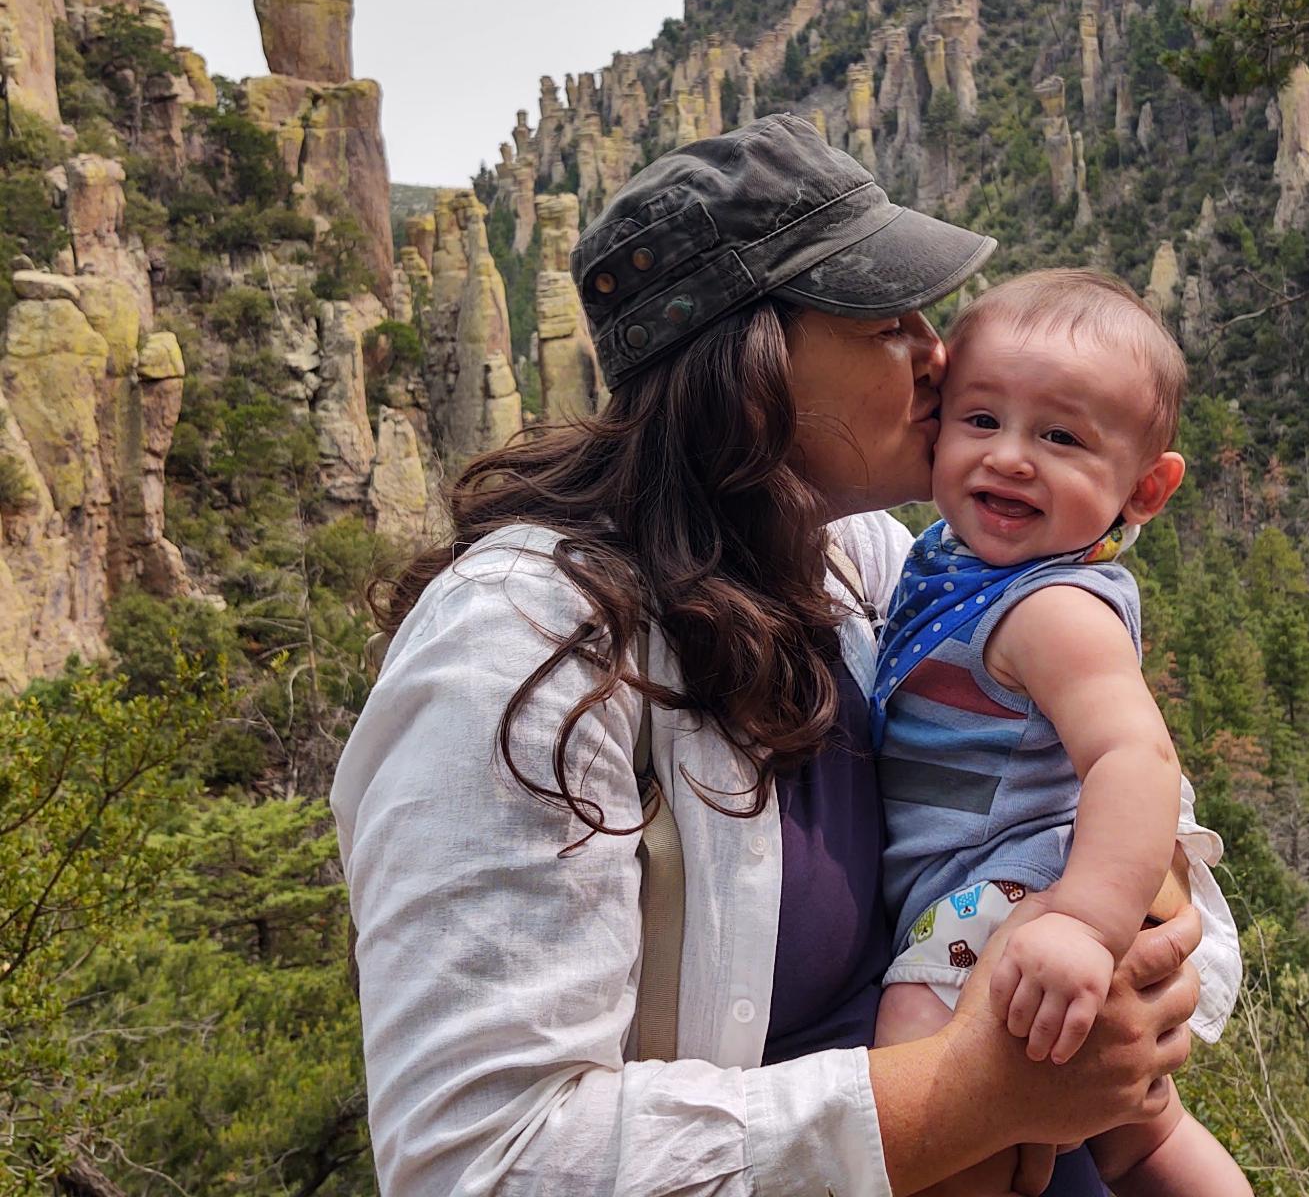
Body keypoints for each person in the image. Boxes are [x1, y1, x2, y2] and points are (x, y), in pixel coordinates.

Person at [331, 116, 1203, 1197]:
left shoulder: (868, 564)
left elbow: (1081, 776)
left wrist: (1132, 937)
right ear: (749, 368)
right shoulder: (519, 647)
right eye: (888, 321)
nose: (940, 353)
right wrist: (972, 1095)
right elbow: (483, 1163)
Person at [872, 271, 1247, 1196]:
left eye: (1062, 437)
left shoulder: (1049, 608)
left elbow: (1135, 756)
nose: (1010, 458)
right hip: (1008, 885)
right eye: (982, 420)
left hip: (1018, 894)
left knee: (923, 1078)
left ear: (1148, 490)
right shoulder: (957, 564)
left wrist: (1083, 922)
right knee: (1141, 1133)